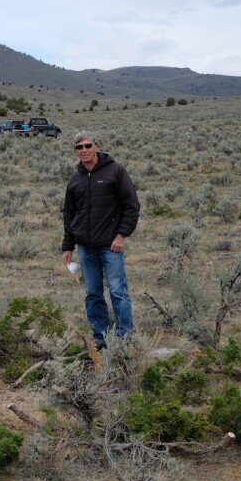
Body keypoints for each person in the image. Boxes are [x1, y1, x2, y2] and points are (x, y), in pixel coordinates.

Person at [62, 130, 140, 349]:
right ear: (75, 151)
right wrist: (68, 245)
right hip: (86, 248)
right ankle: (100, 339)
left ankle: (125, 339)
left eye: (88, 146)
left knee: (118, 291)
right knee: (93, 293)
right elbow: (69, 214)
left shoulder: (116, 171)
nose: (84, 150)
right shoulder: (75, 179)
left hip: (111, 245)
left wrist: (121, 235)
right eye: (79, 147)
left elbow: (131, 206)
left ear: (96, 146)